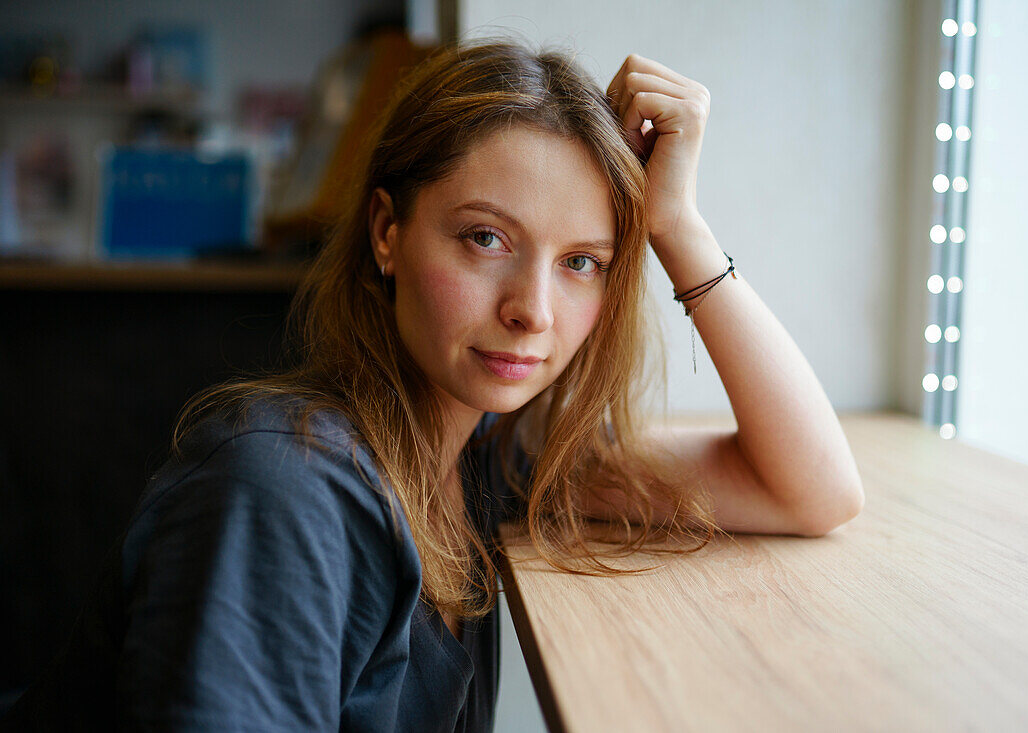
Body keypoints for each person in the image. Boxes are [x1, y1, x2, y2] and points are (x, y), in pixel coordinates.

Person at [0, 36, 863, 732]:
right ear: (387, 233)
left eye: (581, 263)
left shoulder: (490, 454)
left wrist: (677, 224)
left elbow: (813, 490)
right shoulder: (283, 493)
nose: (533, 309)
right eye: (485, 239)